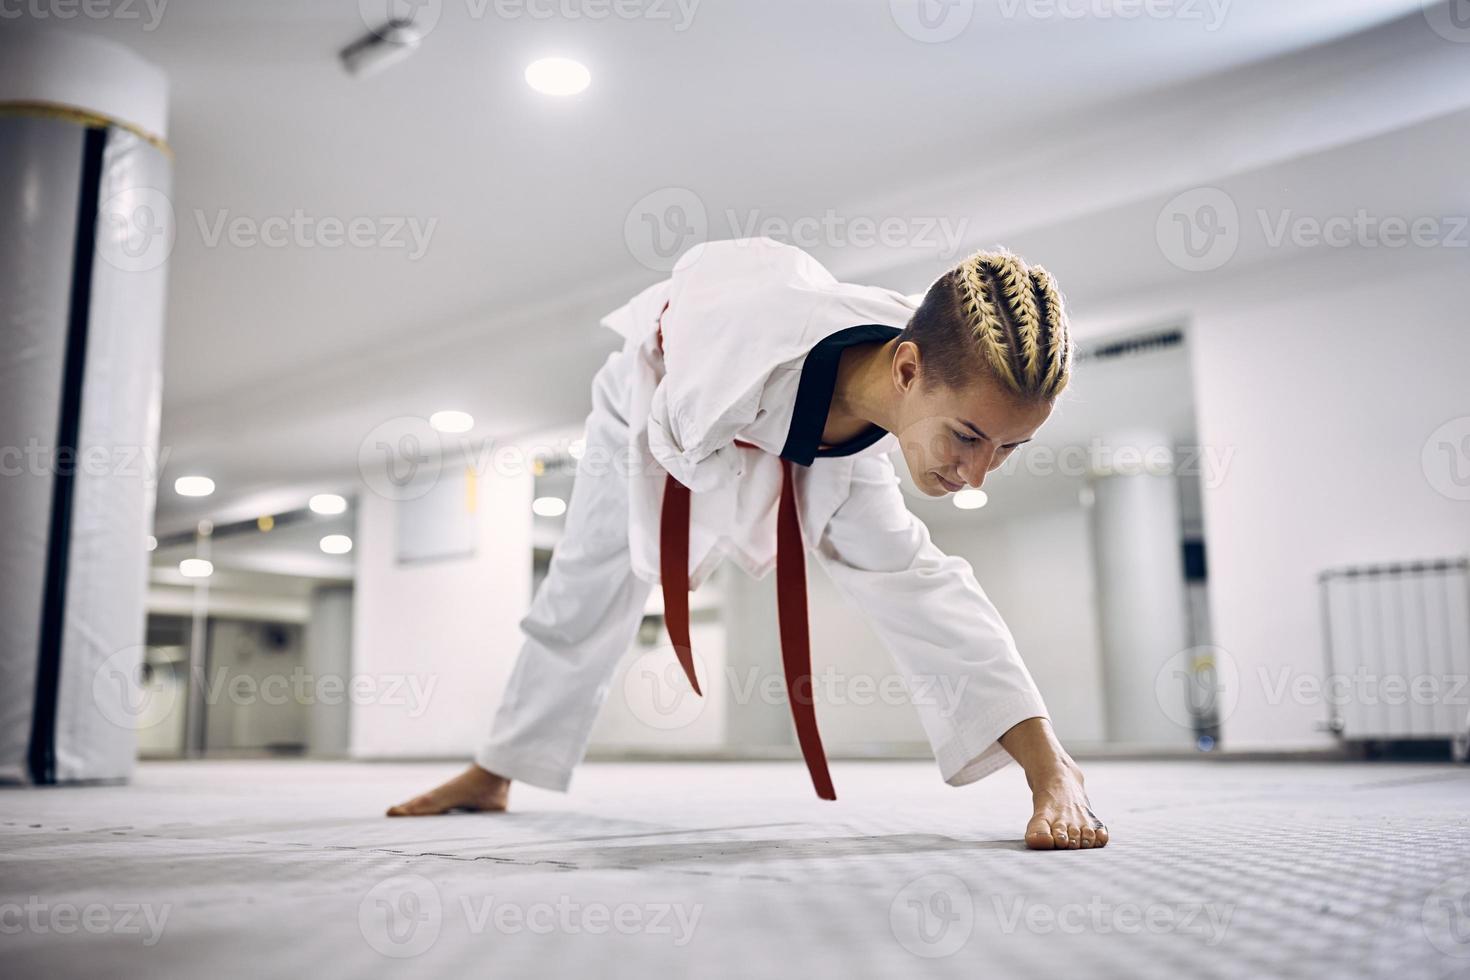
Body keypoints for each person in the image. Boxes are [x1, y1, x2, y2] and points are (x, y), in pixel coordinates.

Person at [388, 237, 1109, 851]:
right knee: (593, 579)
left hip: (802, 428)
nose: (977, 471)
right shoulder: (744, 350)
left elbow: (921, 588)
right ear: (908, 371)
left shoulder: (923, 358)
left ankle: (1053, 764)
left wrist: (1047, 770)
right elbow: (679, 448)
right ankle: (495, 769)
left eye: (1009, 448)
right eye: (967, 436)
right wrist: (744, 519)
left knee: (915, 578)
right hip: (654, 405)